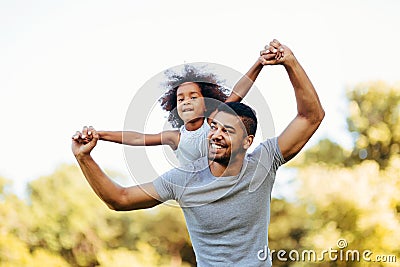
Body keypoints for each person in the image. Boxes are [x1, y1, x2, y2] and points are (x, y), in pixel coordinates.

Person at [72, 39, 325, 266]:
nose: (215, 134)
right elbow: (120, 198)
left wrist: (288, 62)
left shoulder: (263, 162)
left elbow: (311, 116)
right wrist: (85, 156)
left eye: (227, 130)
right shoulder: (182, 178)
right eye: (214, 126)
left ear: (247, 142)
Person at [94, 49, 280, 166]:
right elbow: (136, 138)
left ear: (207, 102)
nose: (186, 102)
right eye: (180, 99)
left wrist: (259, 63)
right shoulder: (176, 137)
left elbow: (238, 93)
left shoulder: (213, 122)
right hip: (197, 193)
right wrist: (100, 135)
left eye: (193, 97)